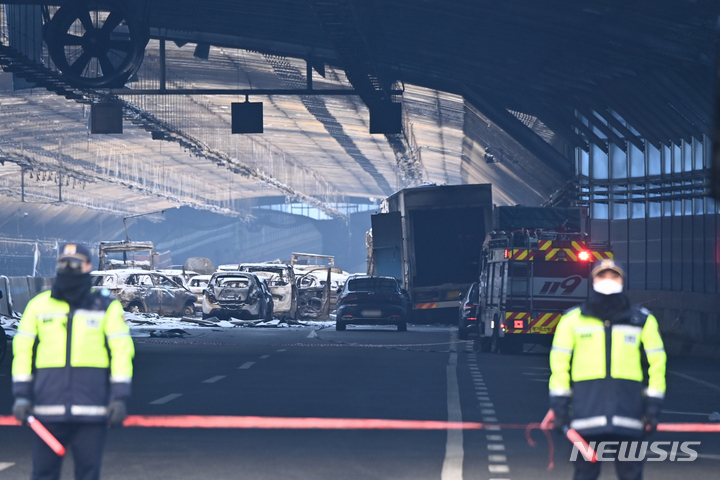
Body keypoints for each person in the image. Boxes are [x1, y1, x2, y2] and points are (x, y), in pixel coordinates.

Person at [12, 243, 134, 480]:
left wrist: (119, 397)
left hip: (92, 411)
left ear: (89, 266)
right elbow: (22, 350)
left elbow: (121, 351)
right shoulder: (38, 305)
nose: (69, 267)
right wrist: (21, 395)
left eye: (75, 263)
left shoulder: (106, 307)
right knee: (44, 474)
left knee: (88, 474)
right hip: (47, 410)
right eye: (63, 263)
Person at [548, 259, 666, 480]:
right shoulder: (572, 320)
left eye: (614, 276)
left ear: (623, 281)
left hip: (629, 416)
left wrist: (652, 408)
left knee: (631, 475)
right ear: (593, 281)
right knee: (584, 474)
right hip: (586, 417)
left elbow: (657, 366)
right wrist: (560, 409)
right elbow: (559, 367)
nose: (608, 281)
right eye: (602, 276)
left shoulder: (642, 321)